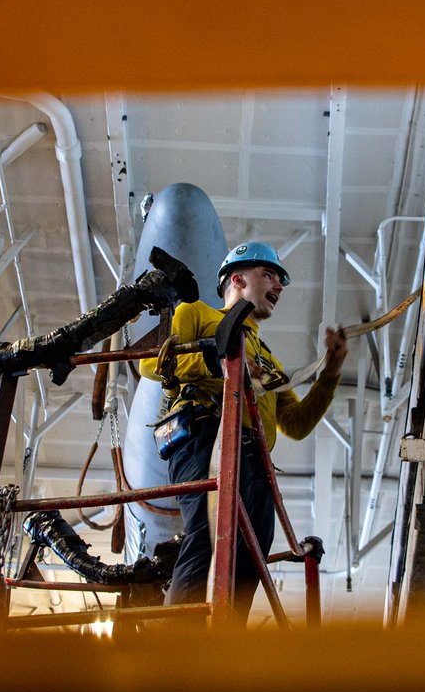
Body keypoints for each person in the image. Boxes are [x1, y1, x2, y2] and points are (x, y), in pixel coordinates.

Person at [139, 241, 348, 627]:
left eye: (280, 280)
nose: (279, 286)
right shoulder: (196, 313)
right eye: (269, 275)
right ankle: (173, 649)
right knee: (208, 536)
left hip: (256, 462)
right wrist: (222, 365)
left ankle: (224, 648)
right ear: (237, 279)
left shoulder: (269, 359)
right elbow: (152, 364)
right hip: (206, 439)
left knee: (253, 555)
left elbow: (297, 424)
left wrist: (331, 372)